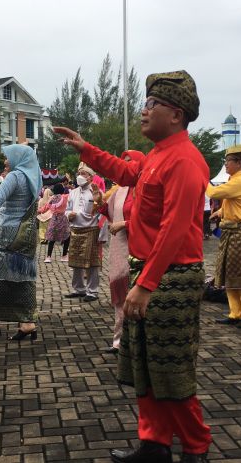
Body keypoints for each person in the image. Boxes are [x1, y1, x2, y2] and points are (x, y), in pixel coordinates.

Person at [56, 69, 212, 463]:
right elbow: (126, 171)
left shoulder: (186, 160)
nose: (143, 112)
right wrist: (85, 149)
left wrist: (147, 284)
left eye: (151, 105)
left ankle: (195, 447)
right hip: (153, 272)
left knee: (171, 366)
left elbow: (176, 230)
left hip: (172, 275)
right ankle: (154, 443)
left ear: (176, 114)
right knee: (144, 362)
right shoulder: (159, 154)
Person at [0, 144, 42, 342]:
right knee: (23, 278)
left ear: (18, 158)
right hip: (27, 234)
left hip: (7, 233)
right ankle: (27, 323)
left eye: (8, 157)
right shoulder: (34, 178)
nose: (5, 161)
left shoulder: (15, 176)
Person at [207, 144, 241, 328]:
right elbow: (232, 202)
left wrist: (202, 179)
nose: (226, 165)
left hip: (240, 231)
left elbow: (214, 192)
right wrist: (220, 212)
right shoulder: (236, 178)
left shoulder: (240, 180)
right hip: (231, 231)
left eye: (228, 161)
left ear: (238, 162)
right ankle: (235, 312)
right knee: (230, 272)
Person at [101, 150, 145, 354]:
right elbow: (108, 211)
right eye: (123, 162)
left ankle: (135, 342)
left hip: (138, 248)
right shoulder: (120, 190)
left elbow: (149, 220)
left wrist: (125, 224)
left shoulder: (143, 189)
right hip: (119, 248)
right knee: (120, 296)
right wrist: (98, 200)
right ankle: (119, 341)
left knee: (134, 295)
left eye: (130, 162)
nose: (125, 165)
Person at [64, 163, 103, 303]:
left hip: (91, 230)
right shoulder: (73, 192)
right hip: (75, 230)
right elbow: (67, 209)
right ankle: (78, 289)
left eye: (84, 173)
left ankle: (92, 291)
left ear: (91, 177)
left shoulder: (96, 193)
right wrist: (69, 215)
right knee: (75, 262)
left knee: (92, 263)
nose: (80, 176)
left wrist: (102, 234)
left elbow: (102, 212)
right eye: (79, 173)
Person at [44, 183, 70, 262]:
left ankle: (48, 257)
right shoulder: (65, 197)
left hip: (54, 219)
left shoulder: (52, 198)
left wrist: (39, 211)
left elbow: (46, 207)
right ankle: (64, 256)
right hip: (63, 219)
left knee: (52, 238)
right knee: (67, 237)